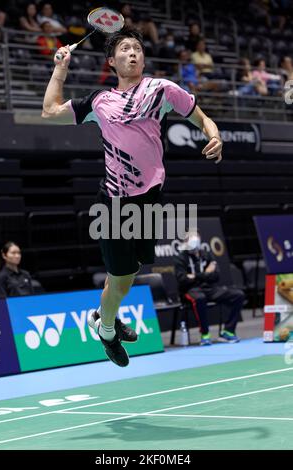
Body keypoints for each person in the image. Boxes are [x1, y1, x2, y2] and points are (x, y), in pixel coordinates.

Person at [41, 28, 223, 367]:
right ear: (112, 61)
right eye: (125, 48)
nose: (133, 53)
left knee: (128, 274)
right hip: (114, 201)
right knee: (121, 276)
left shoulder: (161, 90)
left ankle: (101, 317)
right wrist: (60, 68)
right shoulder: (99, 101)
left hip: (150, 198)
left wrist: (214, 136)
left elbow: (202, 118)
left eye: (137, 48)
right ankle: (106, 329)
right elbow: (49, 110)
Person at [175, 230, 245, 346]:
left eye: (195, 237)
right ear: (185, 241)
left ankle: (228, 331)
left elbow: (216, 276)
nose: (194, 240)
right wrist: (206, 274)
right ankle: (205, 334)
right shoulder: (181, 258)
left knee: (238, 295)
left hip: (210, 289)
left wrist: (196, 276)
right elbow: (183, 280)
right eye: (190, 237)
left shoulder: (207, 255)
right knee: (200, 298)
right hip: (191, 290)